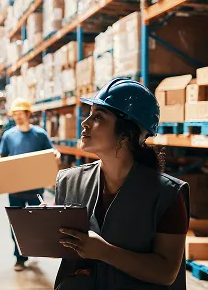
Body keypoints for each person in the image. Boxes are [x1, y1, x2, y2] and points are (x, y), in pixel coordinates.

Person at [54, 78, 190, 290]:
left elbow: (166, 272)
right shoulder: (69, 181)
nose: (85, 122)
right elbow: (65, 251)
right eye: (90, 113)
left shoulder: (167, 195)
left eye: (98, 116)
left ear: (126, 135)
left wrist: (105, 252)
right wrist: (47, 227)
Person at [0, 98, 61, 272]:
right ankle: (20, 257)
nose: (17, 117)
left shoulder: (40, 134)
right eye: (14, 114)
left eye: (20, 113)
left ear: (28, 114)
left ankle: (35, 249)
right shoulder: (9, 135)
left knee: (36, 222)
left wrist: (56, 155)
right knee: (16, 223)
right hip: (15, 188)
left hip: (35, 188)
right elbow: (2, 156)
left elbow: (50, 153)